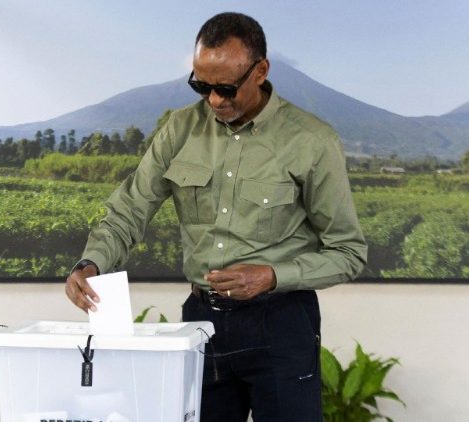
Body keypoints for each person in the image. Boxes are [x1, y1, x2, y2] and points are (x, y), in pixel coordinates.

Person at [65, 12, 367, 422]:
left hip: (280, 324)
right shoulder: (180, 129)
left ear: (260, 71)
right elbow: (131, 207)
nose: (213, 101)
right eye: (201, 86)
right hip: (200, 322)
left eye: (225, 88)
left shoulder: (311, 140)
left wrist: (271, 276)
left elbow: (348, 252)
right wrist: (91, 261)